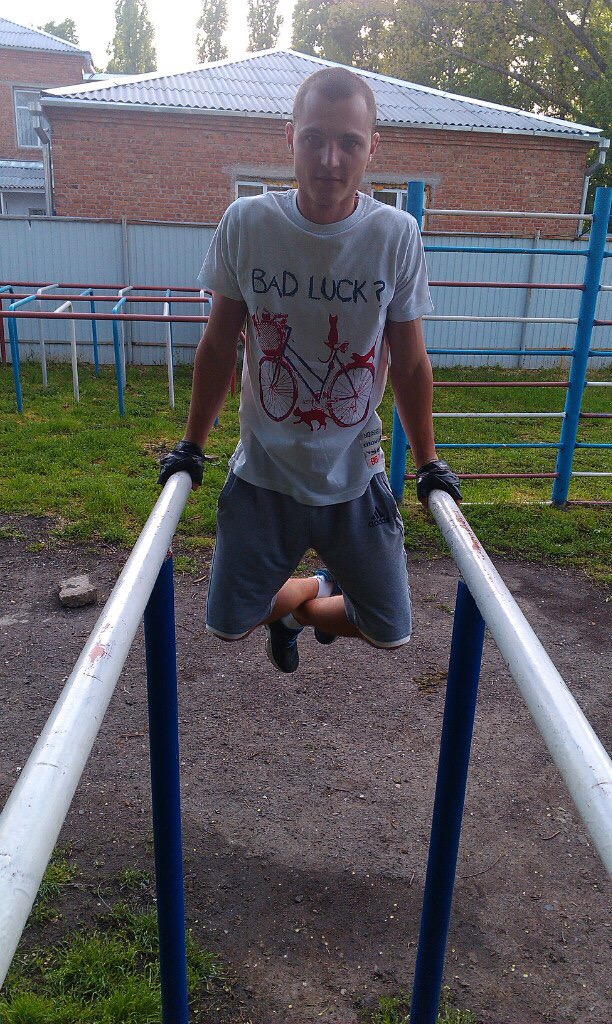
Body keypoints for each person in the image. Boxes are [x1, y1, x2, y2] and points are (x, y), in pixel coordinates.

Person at [158, 66, 462, 673]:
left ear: (372, 148)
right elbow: (218, 345)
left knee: (389, 630)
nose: (330, 159)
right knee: (227, 625)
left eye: (349, 142)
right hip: (264, 471)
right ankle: (301, 594)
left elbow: (409, 362)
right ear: (289, 137)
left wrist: (429, 462)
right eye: (314, 139)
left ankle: (301, 612)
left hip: (355, 471)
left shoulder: (395, 235)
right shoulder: (247, 223)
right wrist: (192, 445)